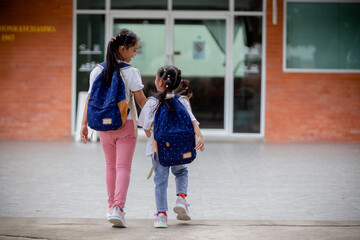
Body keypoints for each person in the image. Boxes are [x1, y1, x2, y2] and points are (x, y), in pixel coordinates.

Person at [80, 29, 146, 228]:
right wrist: (152, 123)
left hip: (102, 126)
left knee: (110, 167)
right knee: (123, 167)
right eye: (134, 49)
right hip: (125, 124)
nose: (135, 53)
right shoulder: (131, 72)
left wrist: (83, 124)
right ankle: (118, 208)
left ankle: (111, 208)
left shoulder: (97, 70)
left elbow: (89, 99)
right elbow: (141, 101)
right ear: (123, 49)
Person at [138, 65, 205, 228]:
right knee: (181, 171)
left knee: (160, 181)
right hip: (180, 148)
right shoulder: (182, 100)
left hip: (159, 149)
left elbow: (146, 129)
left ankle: (161, 216)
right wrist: (200, 136)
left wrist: (157, 136)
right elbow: (193, 121)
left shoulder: (152, 102)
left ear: (160, 82)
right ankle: (181, 198)